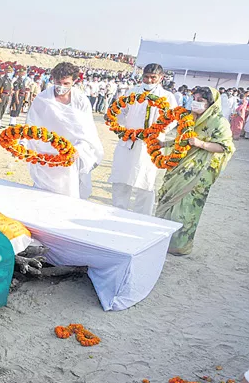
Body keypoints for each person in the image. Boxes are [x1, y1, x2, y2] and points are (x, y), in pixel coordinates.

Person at [156, 87, 235, 255]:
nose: (196, 102)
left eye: (201, 100)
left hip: (199, 171)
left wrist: (201, 144)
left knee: (187, 207)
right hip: (179, 165)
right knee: (168, 199)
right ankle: (159, 240)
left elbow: (226, 147)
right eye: (195, 98)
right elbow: (180, 139)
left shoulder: (219, 121)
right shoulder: (188, 117)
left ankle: (178, 245)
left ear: (211, 104)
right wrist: (163, 144)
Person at [25, 62, 103, 199]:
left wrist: (76, 150)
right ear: (53, 79)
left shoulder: (81, 101)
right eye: (58, 82)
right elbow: (30, 126)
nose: (61, 86)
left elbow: (87, 132)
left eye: (66, 83)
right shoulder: (43, 99)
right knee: (40, 194)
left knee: (67, 193)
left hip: (69, 155)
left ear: (74, 81)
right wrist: (23, 145)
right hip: (45, 153)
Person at [108, 63, 178, 215]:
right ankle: (117, 212)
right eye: (146, 77)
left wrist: (162, 128)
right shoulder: (132, 92)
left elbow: (172, 118)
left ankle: (142, 217)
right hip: (129, 141)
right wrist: (117, 123)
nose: (149, 80)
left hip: (151, 144)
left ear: (161, 78)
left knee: (146, 181)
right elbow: (121, 111)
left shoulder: (167, 96)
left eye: (153, 77)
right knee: (121, 177)